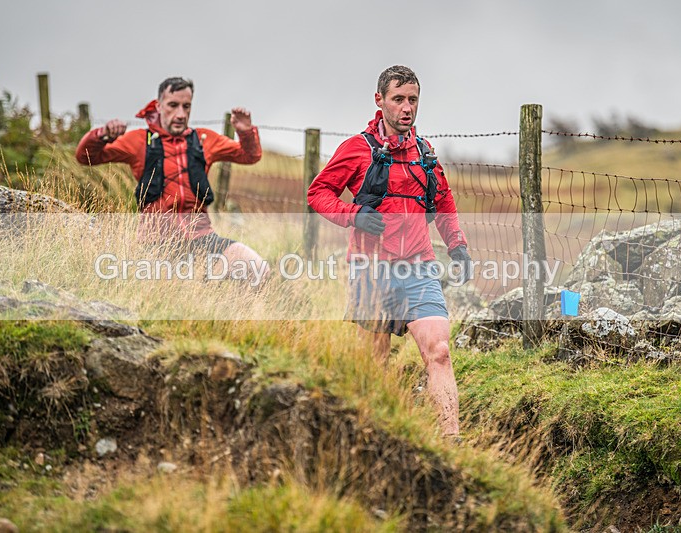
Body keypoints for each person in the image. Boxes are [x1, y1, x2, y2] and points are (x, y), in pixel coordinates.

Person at [307, 65, 472, 437]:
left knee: (440, 351)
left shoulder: (425, 153)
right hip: (370, 270)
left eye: (413, 100)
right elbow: (318, 193)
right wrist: (354, 215)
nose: (407, 108)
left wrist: (457, 245)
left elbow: (444, 202)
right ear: (379, 100)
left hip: (419, 268)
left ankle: (451, 440)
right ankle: (373, 439)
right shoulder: (356, 149)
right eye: (398, 99)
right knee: (374, 363)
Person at [76, 76, 268, 283]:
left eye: (186, 106)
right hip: (155, 245)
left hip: (202, 239)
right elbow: (86, 157)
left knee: (258, 270)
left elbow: (250, 156)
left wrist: (245, 132)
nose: (180, 114)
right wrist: (102, 135)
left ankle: (232, 312)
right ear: (158, 106)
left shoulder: (204, 140)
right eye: (173, 105)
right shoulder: (138, 141)